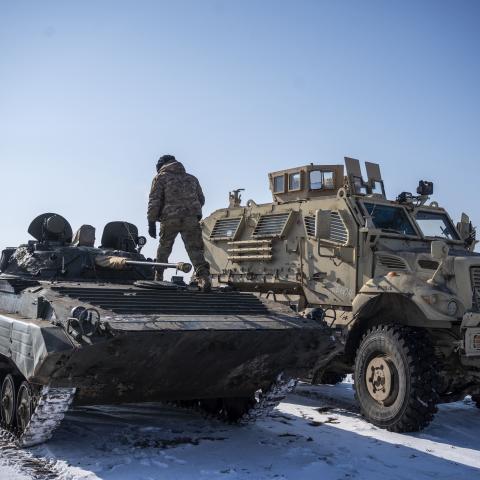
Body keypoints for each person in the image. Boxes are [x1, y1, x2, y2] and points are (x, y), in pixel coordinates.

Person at [147, 154, 211, 290]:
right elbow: (201, 199)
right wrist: (191, 211)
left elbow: (155, 201)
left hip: (170, 218)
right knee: (195, 250)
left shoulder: (160, 177)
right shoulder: (192, 178)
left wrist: (151, 222)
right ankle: (204, 278)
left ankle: (158, 276)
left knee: (164, 247)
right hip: (191, 219)